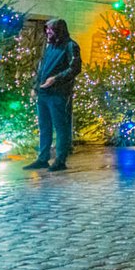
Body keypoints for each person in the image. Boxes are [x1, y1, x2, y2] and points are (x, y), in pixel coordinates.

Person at [25, 18, 82, 172]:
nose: (48, 32)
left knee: (60, 127)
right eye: (47, 29)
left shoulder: (71, 46)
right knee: (44, 126)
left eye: (50, 29)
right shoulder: (49, 47)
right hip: (44, 93)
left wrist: (56, 79)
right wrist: (36, 87)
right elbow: (42, 67)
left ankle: (60, 160)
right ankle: (43, 158)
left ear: (59, 30)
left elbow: (75, 68)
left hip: (58, 94)